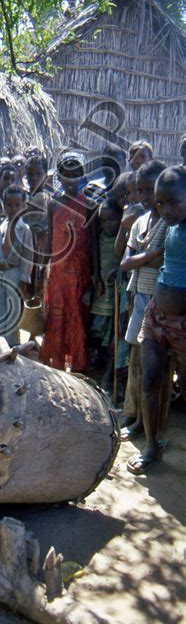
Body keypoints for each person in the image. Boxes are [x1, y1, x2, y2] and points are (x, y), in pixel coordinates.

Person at [127, 166, 186, 474]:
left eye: (173, 202)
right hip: (157, 315)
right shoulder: (170, 226)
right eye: (160, 203)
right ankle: (151, 448)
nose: (165, 209)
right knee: (150, 380)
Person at [39, 152, 100, 372]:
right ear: (60, 176)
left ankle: (77, 366)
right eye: (67, 174)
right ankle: (55, 364)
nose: (71, 180)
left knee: (77, 315)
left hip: (80, 272)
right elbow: (49, 240)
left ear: (82, 175)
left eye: (76, 174)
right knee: (56, 315)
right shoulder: (53, 204)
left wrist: (96, 275)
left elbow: (93, 242)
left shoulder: (90, 205)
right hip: (57, 271)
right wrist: (41, 267)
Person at [120, 159, 168, 437]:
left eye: (150, 190)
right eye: (140, 191)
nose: (145, 197)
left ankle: (148, 425)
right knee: (136, 360)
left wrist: (144, 257)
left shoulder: (170, 222)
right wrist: (151, 255)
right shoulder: (140, 221)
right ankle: (133, 414)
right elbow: (125, 262)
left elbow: (165, 261)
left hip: (159, 300)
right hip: (139, 295)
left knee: (154, 367)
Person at [0, 185, 33, 346]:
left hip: (14, 274)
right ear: (4, 205)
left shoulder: (25, 230)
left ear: (23, 205)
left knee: (12, 313)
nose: (13, 208)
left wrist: (24, 280)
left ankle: (11, 348)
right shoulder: (2, 226)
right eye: (9, 205)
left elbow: (28, 257)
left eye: (17, 205)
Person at [89, 198, 123, 388]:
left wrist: (116, 273)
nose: (107, 224)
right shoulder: (101, 238)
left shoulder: (122, 240)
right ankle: (98, 366)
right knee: (98, 333)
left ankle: (110, 375)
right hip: (101, 293)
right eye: (103, 221)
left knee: (113, 337)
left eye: (111, 220)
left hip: (115, 294)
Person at [24, 155, 51, 297]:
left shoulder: (50, 200)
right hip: (25, 250)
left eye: (38, 174)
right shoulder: (21, 198)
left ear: (46, 175)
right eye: (30, 174)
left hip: (42, 250)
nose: (34, 178)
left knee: (41, 288)